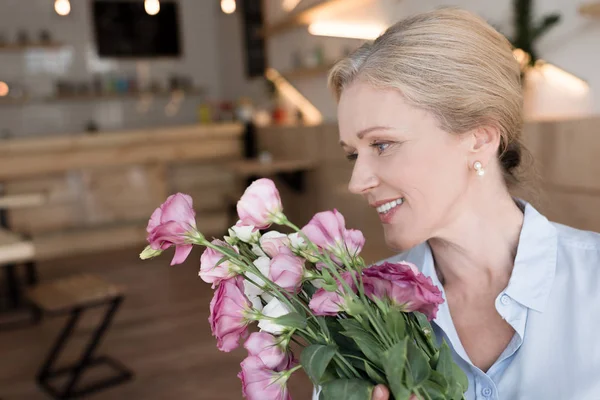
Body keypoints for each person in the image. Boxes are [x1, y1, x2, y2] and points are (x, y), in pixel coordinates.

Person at [316, 7, 600, 400]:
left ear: (479, 139)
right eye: (354, 154)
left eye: (382, 144)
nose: (357, 181)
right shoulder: (356, 311)